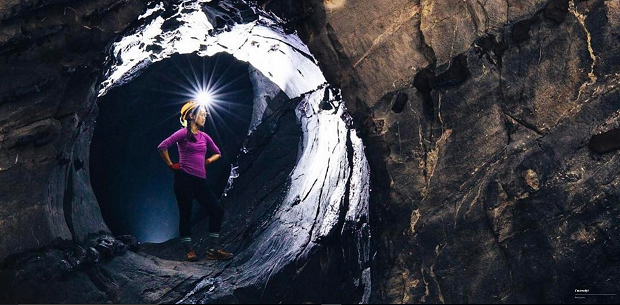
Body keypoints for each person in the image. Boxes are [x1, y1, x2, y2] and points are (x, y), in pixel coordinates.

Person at [157, 101, 234, 261]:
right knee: (186, 214)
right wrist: (171, 165)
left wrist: (207, 161)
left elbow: (217, 153)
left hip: (200, 181)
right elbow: (162, 146)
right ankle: (189, 251)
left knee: (216, 210)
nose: (205, 116)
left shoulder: (204, 136)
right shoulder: (182, 134)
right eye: (202, 113)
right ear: (191, 115)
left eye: (206, 114)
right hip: (183, 179)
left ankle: (213, 249)